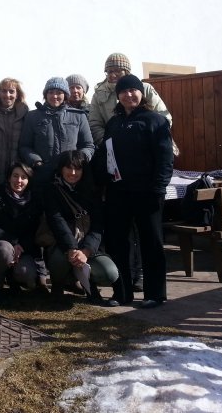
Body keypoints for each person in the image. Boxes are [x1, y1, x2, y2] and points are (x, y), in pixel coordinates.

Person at [88, 53, 172, 292]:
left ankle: (155, 294)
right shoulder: (114, 123)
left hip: (147, 193)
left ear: (141, 93)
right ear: (118, 96)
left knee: (151, 244)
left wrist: (158, 188)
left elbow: (165, 159)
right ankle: (122, 293)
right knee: (118, 243)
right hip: (118, 193)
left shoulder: (155, 121)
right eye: (123, 92)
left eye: (132, 90)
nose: (128, 95)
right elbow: (107, 155)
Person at [40, 151, 119, 306]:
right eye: (69, 168)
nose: (73, 173)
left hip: (87, 246)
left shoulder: (92, 191)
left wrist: (86, 251)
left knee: (109, 272)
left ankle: (90, 286)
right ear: (61, 168)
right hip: (62, 245)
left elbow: (98, 226)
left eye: (78, 168)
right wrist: (72, 249)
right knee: (58, 261)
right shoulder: (51, 190)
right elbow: (57, 222)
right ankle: (58, 286)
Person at [0, 162, 44, 303]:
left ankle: (13, 282)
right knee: (5, 250)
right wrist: (12, 241)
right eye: (15, 176)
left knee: (27, 274)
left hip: (22, 250)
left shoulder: (34, 201)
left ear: (29, 180)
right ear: (8, 177)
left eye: (23, 177)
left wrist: (21, 245)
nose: (19, 181)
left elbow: (35, 232)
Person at [18, 77, 94, 184]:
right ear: (45, 95)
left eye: (59, 92)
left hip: (71, 174)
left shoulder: (78, 116)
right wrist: (36, 162)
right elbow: (25, 146)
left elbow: (88, 146)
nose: (54, 96)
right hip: (43, 175)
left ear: (65, 95)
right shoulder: (32, 116)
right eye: (50, 92)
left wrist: (77, 162)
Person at [88, 53, 171, 146]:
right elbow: (95, 124)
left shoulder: (144, 88)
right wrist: (110, 144)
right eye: (109, 71)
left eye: (117, 71)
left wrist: (148, 139)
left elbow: (164, 117)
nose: (112, 75)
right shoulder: (98, 94)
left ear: (126, 71)